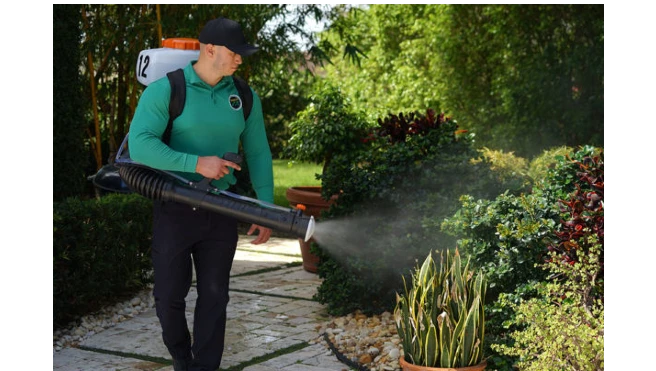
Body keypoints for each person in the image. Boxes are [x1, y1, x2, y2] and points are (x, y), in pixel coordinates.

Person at [128, 17, 273, 371]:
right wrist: (196, 163)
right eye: (235, 52)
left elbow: (258, 152)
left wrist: (265, 208)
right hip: (174, 206)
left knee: (214, 297)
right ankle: (181, 357)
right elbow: (139, 145)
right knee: (168, 298)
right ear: (210, 49)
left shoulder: (244, 95)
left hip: (220, 208)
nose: (240, 59)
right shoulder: (167, 90)